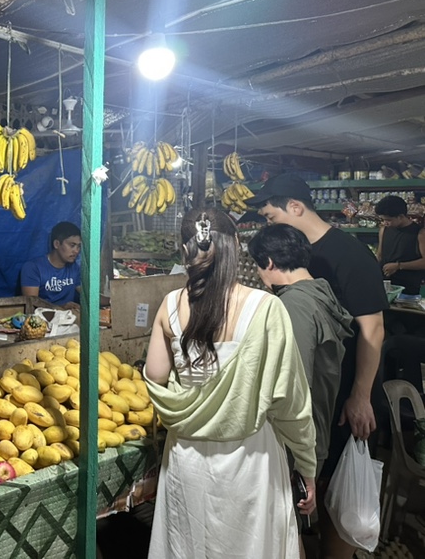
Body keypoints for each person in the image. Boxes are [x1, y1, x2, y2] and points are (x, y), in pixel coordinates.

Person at [144, 208, 316, 558]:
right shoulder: (266, 308)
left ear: (183, 250)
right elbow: (290, 402)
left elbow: (155, 378)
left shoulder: (170, 306)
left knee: (189, 544)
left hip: (186, 458)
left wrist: (194, 396)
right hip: (250, 460)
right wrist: (307, 465)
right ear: (236, 245)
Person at [249, 173, 387, 559]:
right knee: (321, 488)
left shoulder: (348, 254)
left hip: (346, 395)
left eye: (271, 218)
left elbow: (373, 329)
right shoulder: (303, 258)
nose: (268, 226)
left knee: (337, 500)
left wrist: (360, 395)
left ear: (295, 207)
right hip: (321, 397)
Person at [248, 224, 354, 476]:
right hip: (314, 429)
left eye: (257, 265)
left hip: (299, 443)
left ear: (270, 263)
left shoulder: (294, 305)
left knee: (296, 510)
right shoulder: (319, 290)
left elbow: (295, 383)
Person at [20, 221, 82, 310]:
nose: (76, 251)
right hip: (43, 320)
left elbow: (87, 295)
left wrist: (109, 300)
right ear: (56, 244)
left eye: (78, 246)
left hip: (68, 320)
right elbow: (31, 306)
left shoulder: (74, 268)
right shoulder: (33, 268)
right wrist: (60, 308)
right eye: (72, 245)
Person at [374, 194, 425, 296]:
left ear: (401, 216)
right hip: (385, 286)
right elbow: (380, 255)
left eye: (388, 220)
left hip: (408, 290)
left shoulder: (420, 233)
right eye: (383, 220)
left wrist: (399, 266)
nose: (385, 223)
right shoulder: (384, 230)